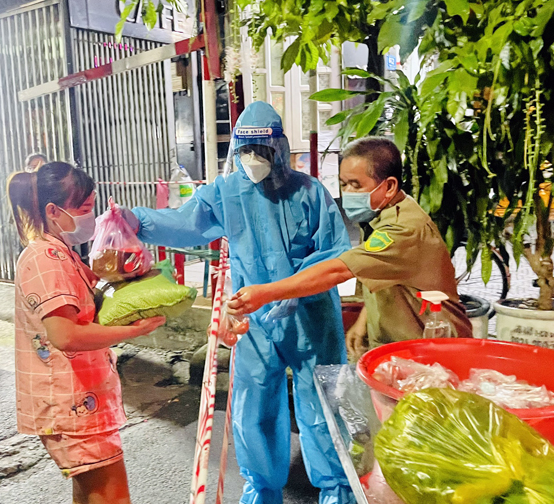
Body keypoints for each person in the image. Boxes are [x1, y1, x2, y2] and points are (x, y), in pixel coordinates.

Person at [124, 102, 356, 504]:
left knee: (322, 409)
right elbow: (186, 223)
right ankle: (262, 491)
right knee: (254, 410)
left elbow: (335, 256)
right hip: (255, 321)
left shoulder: (310, 193)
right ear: (235, 150)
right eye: (245, 150)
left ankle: (337, 490)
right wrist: (136, 221)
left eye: (261, 151)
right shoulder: (225, 193)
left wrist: (287, 290)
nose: (253, 160)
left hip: (311, 317)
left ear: (279, 149)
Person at [7, 162, 166, 504]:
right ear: (53, 211)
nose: (89, 218)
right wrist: (130, 330)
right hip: (71, 405)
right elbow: (64, 335)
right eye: (83, 209)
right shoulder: (45, 257)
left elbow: (94, 296)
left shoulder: (61, 252)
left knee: (90, 495)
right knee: (112, 498)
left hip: (81, 402)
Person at [228, 137, 473, 356]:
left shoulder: (404, 229)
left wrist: (267, 292)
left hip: (434, 349)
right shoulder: (383, 214)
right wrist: (364, 321)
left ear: (389, 186)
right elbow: (385, 274)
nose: (347, 193)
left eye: (356, 185)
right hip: (401, 345)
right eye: (344, 184)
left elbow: (337, 270)